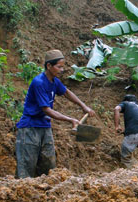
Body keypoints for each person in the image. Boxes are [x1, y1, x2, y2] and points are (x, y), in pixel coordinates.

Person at [15, 49, 95, 178]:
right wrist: (70, 120)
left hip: (45, 127)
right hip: (30, 128)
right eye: (59, 67)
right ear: (49, 66)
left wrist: (84, 106)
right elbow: (46, 109)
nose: (62, 70)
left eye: (63, 67)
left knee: (48, 165)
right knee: (26, 166)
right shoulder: (39, 82)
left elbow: (66, 92)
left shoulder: (55, 81)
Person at [114, 95, 138, 168]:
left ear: (126, 101)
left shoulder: (126, 103)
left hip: (132, 134)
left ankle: (128, 176)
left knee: (126, 158)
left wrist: (117, 126)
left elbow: (116, 109)